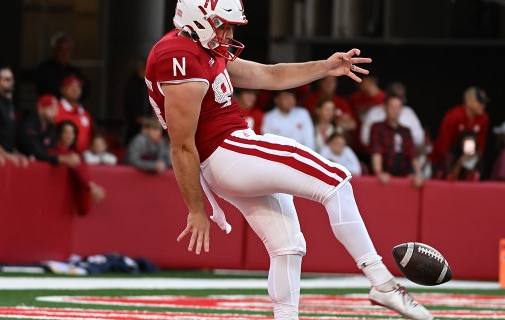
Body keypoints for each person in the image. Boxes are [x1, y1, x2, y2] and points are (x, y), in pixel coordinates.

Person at [144, 1, 433, 319]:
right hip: (228, 151)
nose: (227, 34)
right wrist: (196, 209)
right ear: (197, 18)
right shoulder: (178, 56)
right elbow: (181, 145)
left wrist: (324, 67)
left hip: (228, 156)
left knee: (288, 246)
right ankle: (382, 282)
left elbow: (268, 74)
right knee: (335, 180)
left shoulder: (197, 48)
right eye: (222, 25)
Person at [50, 120, 106, 215]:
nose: (70, 136)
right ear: (59, 133)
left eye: (72, 132)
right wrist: (91, 187)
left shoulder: (73, 152)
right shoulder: (57, 151)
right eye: (66, 132)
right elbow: (77, 170)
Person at [369, 94, 423, 186]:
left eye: (398, 107)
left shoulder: (406, 131)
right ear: (385, 108)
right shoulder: (377, 128)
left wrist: (418, 174)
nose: (395, 111)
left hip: (404, 178)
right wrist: (379, 172)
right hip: (384, 177)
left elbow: (412, 154)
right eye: (392, 107)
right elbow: (376, 151)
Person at [431, 86, 490, 168]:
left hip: (470, 159)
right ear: (468, 101)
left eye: (484, 102)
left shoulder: (484, 118)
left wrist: (474, 162)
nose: (483, 105)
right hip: (446, 159)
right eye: (479, 102)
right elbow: (444, 144)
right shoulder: (453, 116)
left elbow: (480, 145)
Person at [18, 94, 81, 166]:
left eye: (56, 109)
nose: (55, 113)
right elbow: (37, 152)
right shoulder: (29, 124)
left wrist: (68, 156)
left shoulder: (51, 127)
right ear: (40, 109)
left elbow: (50, 150)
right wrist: (62, 159)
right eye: (51, 109)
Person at [36, 32, 90, 99]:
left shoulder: (74, 71)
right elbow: (49, 89)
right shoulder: (45, 69)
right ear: (54, 50)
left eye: (67, 50)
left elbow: (86, 88)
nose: (64, 53)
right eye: (61, 50)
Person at [0, 66, 25, 165]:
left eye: (12, 79)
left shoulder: (8, 102)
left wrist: (14, 152)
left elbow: (8, 132)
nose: (11, 82)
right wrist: (4, 154)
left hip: (8, 156)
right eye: (7, 79)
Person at [56, 75, 94, 153]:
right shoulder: (55, 110)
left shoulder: (85, 114)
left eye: (78, 88)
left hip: (83, 159)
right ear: (63, 89)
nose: (75, 90)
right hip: (62, 158)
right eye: (71, 87)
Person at [124, 59, 153, 144]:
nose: (140, 70)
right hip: (135, 120)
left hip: (148, 119)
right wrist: (134, 116)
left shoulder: (148, 82)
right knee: (133, 140)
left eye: (142, 67)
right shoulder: (132, 83)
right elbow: (128, 102)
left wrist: (149, 116)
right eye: (138, 67)